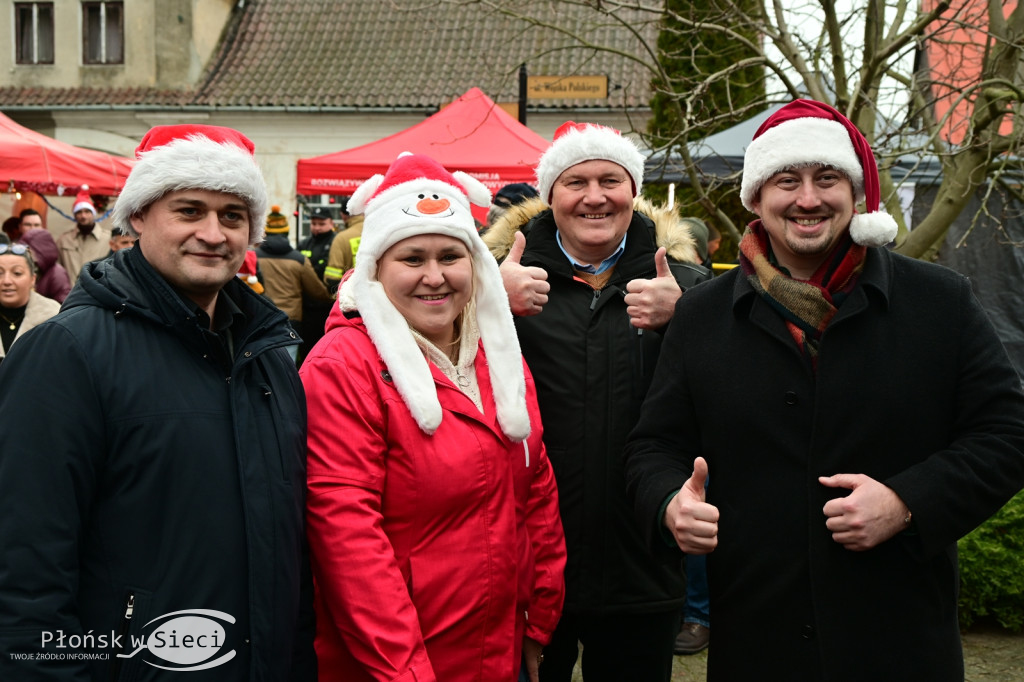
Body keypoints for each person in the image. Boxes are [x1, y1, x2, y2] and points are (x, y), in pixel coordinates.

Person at [623, 99, 1024, 681]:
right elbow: (650, 448)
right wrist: (668, 503)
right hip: (758, 643)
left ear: (856, 194)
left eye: (827, 178)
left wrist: (907, 501)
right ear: (757, 198)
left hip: (900, 642)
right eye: (787, 180)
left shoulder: (941, 302)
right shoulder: (702, 316)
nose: (808, 198)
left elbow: (1007, 434)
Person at [0, 124, 316, 680]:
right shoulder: (66, 352)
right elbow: (24, 569)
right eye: (190, 211)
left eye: (232, 216)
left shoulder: (270, 357)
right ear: (139, 216)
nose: (214, 234)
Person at [300, 153, 566, 682]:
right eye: (412, 258)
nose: (435, 276)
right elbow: (346, 534)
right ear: (375, 267)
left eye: (450, 255)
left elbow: (535, 487)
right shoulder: (342, 367)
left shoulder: (498, 354)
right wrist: (405, 671)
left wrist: (538, 617)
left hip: (496, 644)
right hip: (397, 660)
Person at [482, 121, 711, 682]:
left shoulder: (689, 286)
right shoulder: (493, 281)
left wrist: (692, 314)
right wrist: (483, 302)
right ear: (550, 195)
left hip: (642, 560)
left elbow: (737, 384)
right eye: (575, 181)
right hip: (525, 561)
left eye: (611, 179)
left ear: (632, 191)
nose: (594, 196)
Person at [256, 206, 333, 363]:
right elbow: (317, 291)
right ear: (286, 232)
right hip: (290, 321)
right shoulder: (298, 259)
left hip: (259, 317)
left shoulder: (252, 257)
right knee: (287, 366)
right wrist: (330, 297)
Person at [0, 239, 61, 364]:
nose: (6, 281)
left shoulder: (53, 316)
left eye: (17, 273)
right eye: (0, 273)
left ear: (33, 279)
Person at [297, 205, 338, 360]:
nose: (317, 228)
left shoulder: (335, 242)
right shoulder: (304, 243)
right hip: (306, 306)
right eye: (314, 224)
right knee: (306, 347)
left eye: (321, 224)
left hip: (326, 305)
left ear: (331, 223)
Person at [56, 189, 112, 283]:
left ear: (93, 213)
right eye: (79, 212)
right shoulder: (64, 240)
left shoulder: (107, 239)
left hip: (98, 292)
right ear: (75, 215)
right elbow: (58, 269)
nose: (83, 216)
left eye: (87, 211)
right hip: (71, 293)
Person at [19, 227, 72, 303]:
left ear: (41, 250)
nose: (27, 253)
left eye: (29, 249)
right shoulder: (33, 268)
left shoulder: (57, 273)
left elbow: (63, 304)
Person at [322, 201, 364, 294]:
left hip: (351, 298)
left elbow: (332, 279)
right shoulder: (380, 233)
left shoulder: (341, 238)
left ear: (342, 215)